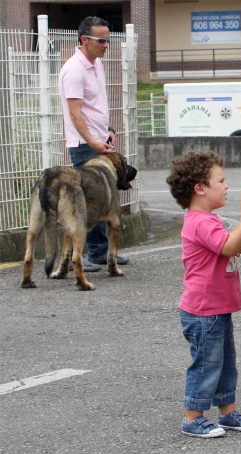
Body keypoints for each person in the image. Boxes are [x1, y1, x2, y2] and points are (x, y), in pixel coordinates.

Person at [166, 151, 241, 438]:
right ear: (200, 188)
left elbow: (226, 247)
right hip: (203, 311)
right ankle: (193, 417)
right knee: (207, 363)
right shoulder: (200, 221)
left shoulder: (210, 219)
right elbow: (227, 247)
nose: (226, 186)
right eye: (221, 180)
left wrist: (238, 244)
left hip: (217, 308)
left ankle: (227, 412)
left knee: (225, 363)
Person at [58, 16, 128, 272]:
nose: (106, 44)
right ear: (84, 40)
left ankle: (101, 253)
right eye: (101, 40)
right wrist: (93, 142)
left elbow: (94, 106)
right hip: (85, 145)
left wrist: (107, 130)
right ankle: (94, 253)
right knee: (91, 200)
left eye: (108, 39)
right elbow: (75, 113)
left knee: (104, 197)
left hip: (98, 141)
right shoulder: (74, 70)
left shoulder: (95, 63)